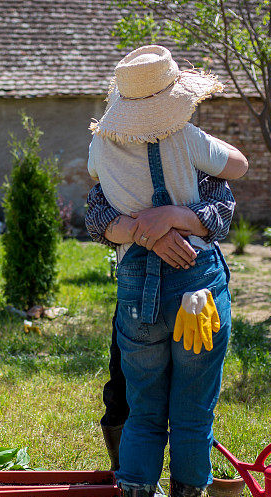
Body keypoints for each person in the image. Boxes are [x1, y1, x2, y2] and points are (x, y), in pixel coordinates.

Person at [86, 45, 248, 497]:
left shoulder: (102, 147)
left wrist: (144, 227)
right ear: (173, 97)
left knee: (144, 407)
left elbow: (101, 207)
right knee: (194, 413)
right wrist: (177, 215)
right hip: (196, 285)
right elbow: (238, 165)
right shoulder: (188, 137)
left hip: (138, 287)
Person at [85, 172, 236, 469]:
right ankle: (128, 481)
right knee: (124, 394)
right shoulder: (116, 155)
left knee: (188, 405)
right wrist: (153, 235)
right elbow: (96, 217)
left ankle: (163, 496)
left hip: (192, 286)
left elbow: (222, 210)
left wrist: (170, 216)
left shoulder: (194, 154)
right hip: (138, 293)